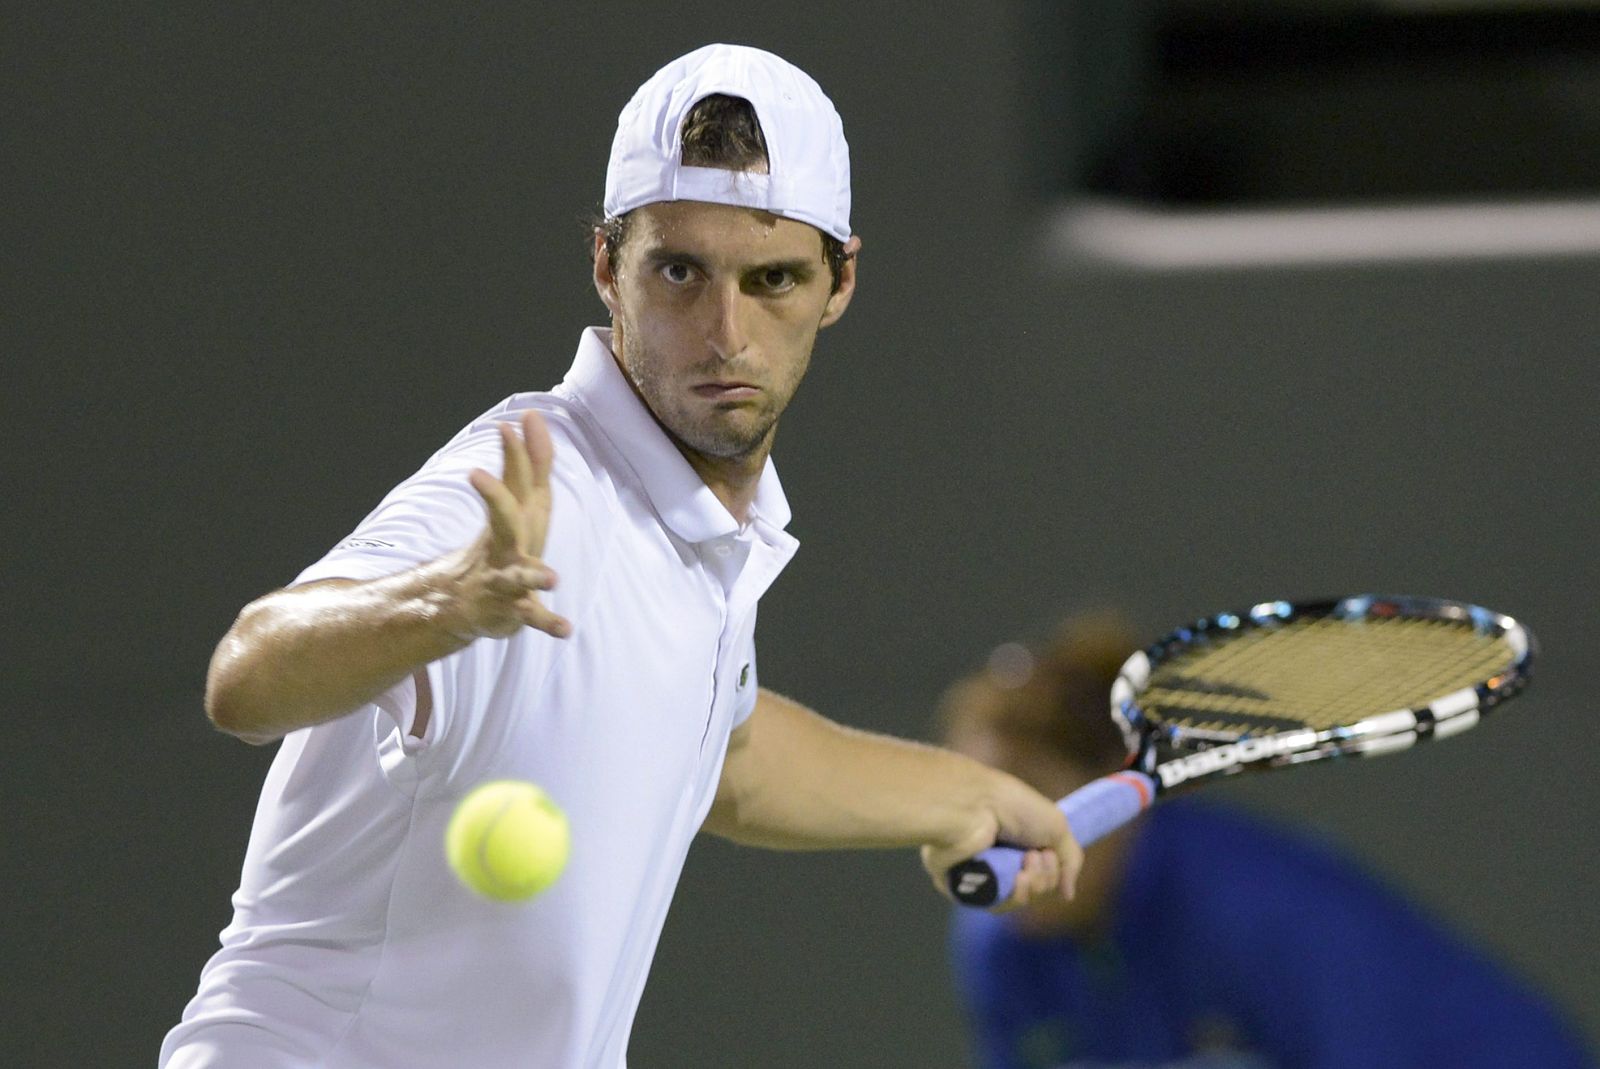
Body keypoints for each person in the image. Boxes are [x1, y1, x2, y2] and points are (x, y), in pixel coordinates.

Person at [159, 44, 1081, 1069]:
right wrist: (445, 604)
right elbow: (247, 674)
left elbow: (727, 753)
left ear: (840, 282)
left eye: (772, 279)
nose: (725, 333)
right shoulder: (526, 489)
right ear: (607, 265)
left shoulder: (699, 526)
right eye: (679, 272)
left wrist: (959, 794)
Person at [939, 610, 1596, 1069]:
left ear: (1114, 789)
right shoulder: (999, 944)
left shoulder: (1256, 906)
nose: (990, 835)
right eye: (970, 802)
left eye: (1026, 791)